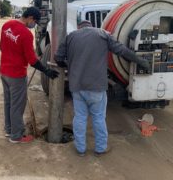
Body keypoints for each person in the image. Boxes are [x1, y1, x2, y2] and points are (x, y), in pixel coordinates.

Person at [54, 20, 150, 156]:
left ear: (79, 27)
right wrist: (141, 61)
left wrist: (70, 66)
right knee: (98, 118)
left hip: (77, 86)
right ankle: (100, 149)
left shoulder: (71, 36)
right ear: (91, 26)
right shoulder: (102, 34)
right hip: (96, 86)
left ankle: (80, 149)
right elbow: (122, 51)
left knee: (80, 117)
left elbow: (57, 57)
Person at [0, 7, 59, 143]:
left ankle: (9, 130)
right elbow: (32, 61)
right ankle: (17, 136)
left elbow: (2, 47)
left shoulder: (7, 25)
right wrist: (46, 71)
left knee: (8, 103)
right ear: (30, 18)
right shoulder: (26, 34)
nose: (34, 25)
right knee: (17, 106)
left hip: (4, 72)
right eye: (35, 22)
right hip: (16, 75)